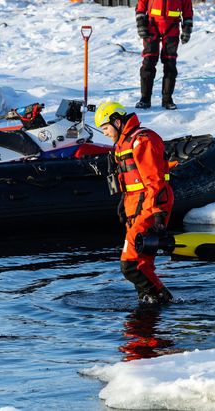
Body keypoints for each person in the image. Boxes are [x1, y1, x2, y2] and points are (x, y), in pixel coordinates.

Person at [95, 101, 174, 304]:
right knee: (142, 262)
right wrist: (124, 202)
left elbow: (154, 181)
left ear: (117, 121)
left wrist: (158, 215)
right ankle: (150, 305)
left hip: (149, 206)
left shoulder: (142, 141)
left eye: (105, 128)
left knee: (130, 265)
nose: (104, 133)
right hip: (136, 206)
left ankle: (163, 298)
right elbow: (132, 181)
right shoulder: (124, 143)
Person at [135, 0, 194, 110]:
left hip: (172, 28)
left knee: (170, 64)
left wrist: (187, 27)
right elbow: (141, 3)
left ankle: (167, 99)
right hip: (152, 26)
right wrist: (141, 23)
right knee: (148, 62)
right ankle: (145, 99)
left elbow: (187, 7)